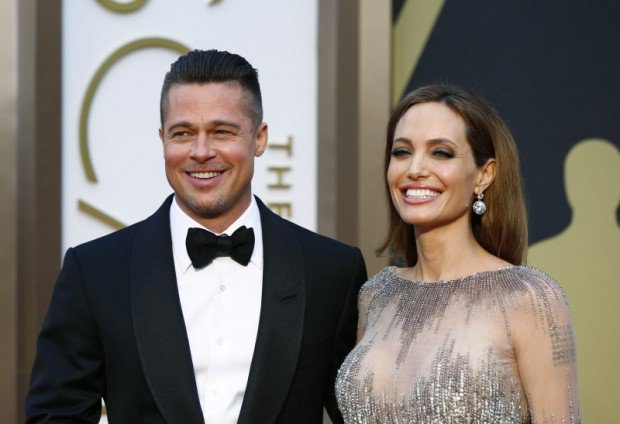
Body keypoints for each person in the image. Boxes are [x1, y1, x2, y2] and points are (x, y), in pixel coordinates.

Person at [26, 49, 367, 424]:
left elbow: (356, 413)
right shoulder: (94, 273)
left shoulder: (332, 272)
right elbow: (55, 414)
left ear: (259, 138)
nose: (201, 152)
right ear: (162, 140)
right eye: (183, 133)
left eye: (222, 131)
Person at [335, 84, 580, 423]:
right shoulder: (376, 297)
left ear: (484, 174)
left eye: (441, 153)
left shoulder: (530, 298)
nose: (415, 169)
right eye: (402, 152)